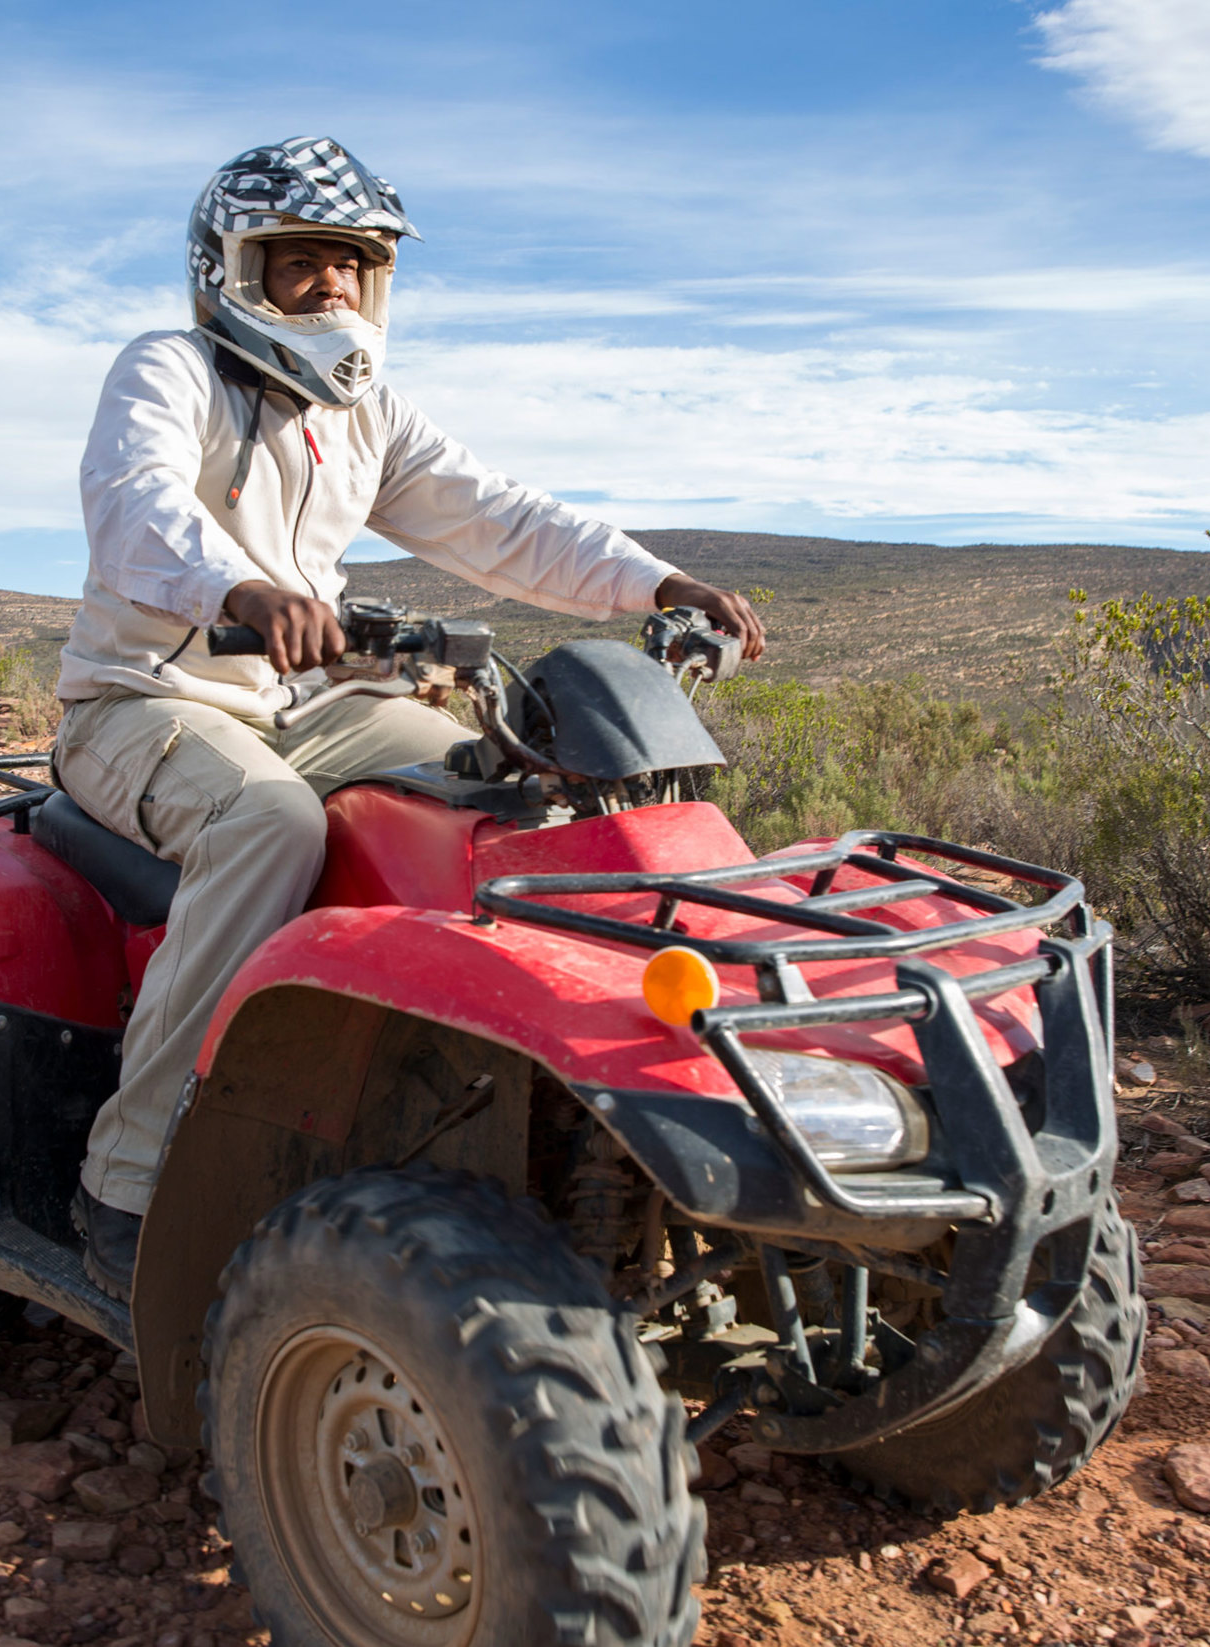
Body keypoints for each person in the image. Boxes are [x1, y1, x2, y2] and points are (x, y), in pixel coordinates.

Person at [56, 136, 765, 1295]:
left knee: (512, 793)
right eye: (301, 261)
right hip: (144, 699)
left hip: (304, 701)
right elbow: (134, 503)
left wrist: (657, 582)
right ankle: (127, 1182)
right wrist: (240, 590)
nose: (332, 286)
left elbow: (500, 517)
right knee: (269, 824)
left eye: (353, 264)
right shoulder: (170, 369)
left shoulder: (367, 412)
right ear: (233, 268)